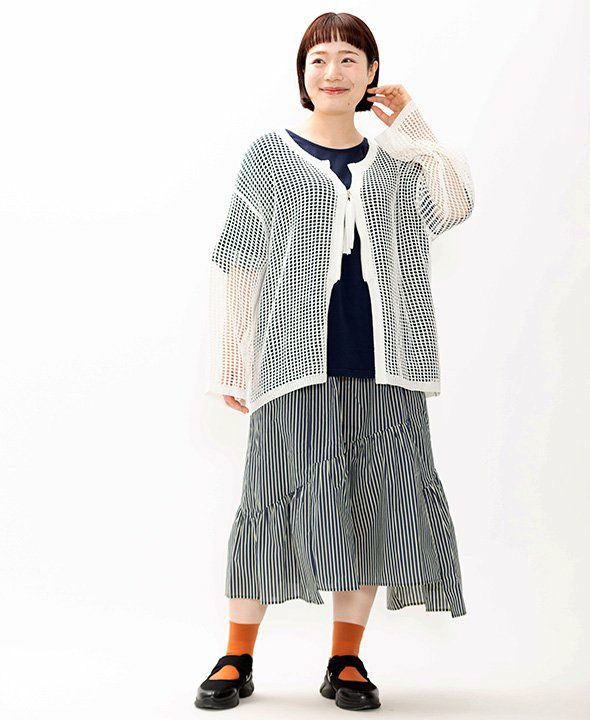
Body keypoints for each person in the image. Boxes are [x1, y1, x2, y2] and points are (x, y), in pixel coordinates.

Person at [197, 11, 474, 712]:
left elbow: (454, 204)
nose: (333, 72)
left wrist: (413, 125)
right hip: (292, 366)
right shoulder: (270, 156)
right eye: (318, 59)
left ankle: (345, 660)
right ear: (302, 74)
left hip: (389, 367)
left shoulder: (398, 160)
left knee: (372, 509)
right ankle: (237, 655)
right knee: (269, 502)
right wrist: (231, 365)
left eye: (350, 58)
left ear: (372, 73)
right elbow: (238, 263)